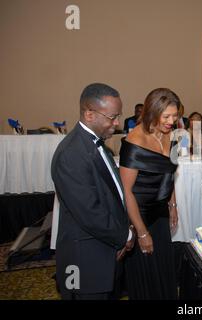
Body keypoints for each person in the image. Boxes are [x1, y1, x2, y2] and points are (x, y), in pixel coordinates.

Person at [51, 83, 134, 300]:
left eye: (118, 116)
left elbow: (113, 194)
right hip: (83, 260)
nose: (117, 123)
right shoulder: (71, 154)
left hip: (103, 252)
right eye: (112, 117)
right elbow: (90, 211)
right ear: (89, 114)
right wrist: (124, 235)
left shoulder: (97, 144)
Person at [119, 88, 180, 299]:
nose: (172, 121)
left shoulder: (170, 133)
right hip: (139, 215)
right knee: (146, 276)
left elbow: (169, 173)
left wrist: (172, 205)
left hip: (160, 212)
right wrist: (142, 232)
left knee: (163, 269)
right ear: (153, 113)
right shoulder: (135, 140)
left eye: (175, 116)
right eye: (167, 116)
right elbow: (126, 191)